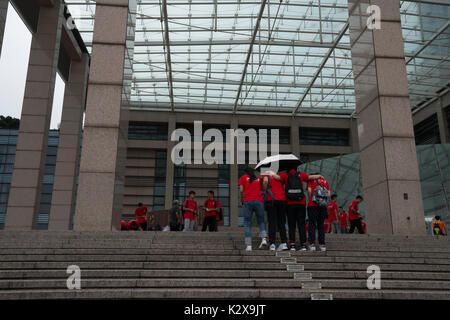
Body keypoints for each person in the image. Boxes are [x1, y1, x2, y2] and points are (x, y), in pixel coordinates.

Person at [282, 166, 323, 251]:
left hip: (290, 204)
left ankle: (292, 245)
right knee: (301, 224)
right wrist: (319, 176)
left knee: (291, 225)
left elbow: (278, 180)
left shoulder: (285, 175)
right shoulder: (301, 174)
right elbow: (310, 177)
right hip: (301, 203)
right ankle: (303, 245)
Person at [238, 166, 268, 251]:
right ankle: (264, 239)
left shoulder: (243, 178)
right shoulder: (258, 179)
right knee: (261, 221)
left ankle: (249, 245)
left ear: (245, 172)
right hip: (259, 202)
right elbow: (262, 190)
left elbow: (241, 190)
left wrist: (241, 200)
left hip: (248, 201)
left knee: (247, 223)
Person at [262, 170, 288, 251]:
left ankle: (272, 244)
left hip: (272, 199)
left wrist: (264, 189)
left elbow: (265, 181)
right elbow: (284, 187)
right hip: (282, 199)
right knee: (282, 222)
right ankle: (284, 243)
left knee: (272, 222)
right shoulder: (280, 175)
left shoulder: (266, 173)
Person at [307, 174, 331, 251]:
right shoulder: (325, 181)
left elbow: (309, 191)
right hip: (323, 206)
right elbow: (329, 194)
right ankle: (322, 245)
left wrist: (312, 198)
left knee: (312, 224)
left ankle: (312, 244)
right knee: (321, 225)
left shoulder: (311, 180)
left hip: (312, 205)